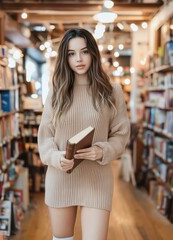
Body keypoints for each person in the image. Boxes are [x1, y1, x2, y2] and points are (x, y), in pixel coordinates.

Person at [38, 28, 130, 240]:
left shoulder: (112, 91)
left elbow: (121, 135)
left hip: (97, 179)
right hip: (61, 177)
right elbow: (45, 137)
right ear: (65, 57)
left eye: (84, 51)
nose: (78, 59)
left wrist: (101, 150)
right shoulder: (57, 92)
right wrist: (56, 157)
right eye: (71, 53)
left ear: (93, 54)